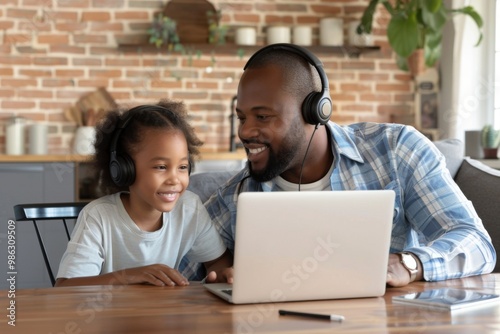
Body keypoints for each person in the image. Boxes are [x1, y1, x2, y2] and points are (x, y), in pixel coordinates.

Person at [186, 44, 496, 287]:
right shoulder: (237, 196)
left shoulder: (396, 151)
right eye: (242, 117)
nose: (244, 131)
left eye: (263, 116)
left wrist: (409, 264)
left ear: (315, 112)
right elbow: (174, 271)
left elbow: (476, 242)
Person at [55, 99, 233, 287]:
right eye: (161, 167)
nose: (174, 179)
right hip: (107, 315)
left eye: (182, 167)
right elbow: (65, 287)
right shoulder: (98, 217)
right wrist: (129, 276)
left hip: (162, 314)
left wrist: (221, 275)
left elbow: (218, 262)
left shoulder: (189, 208)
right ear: (124, 169)